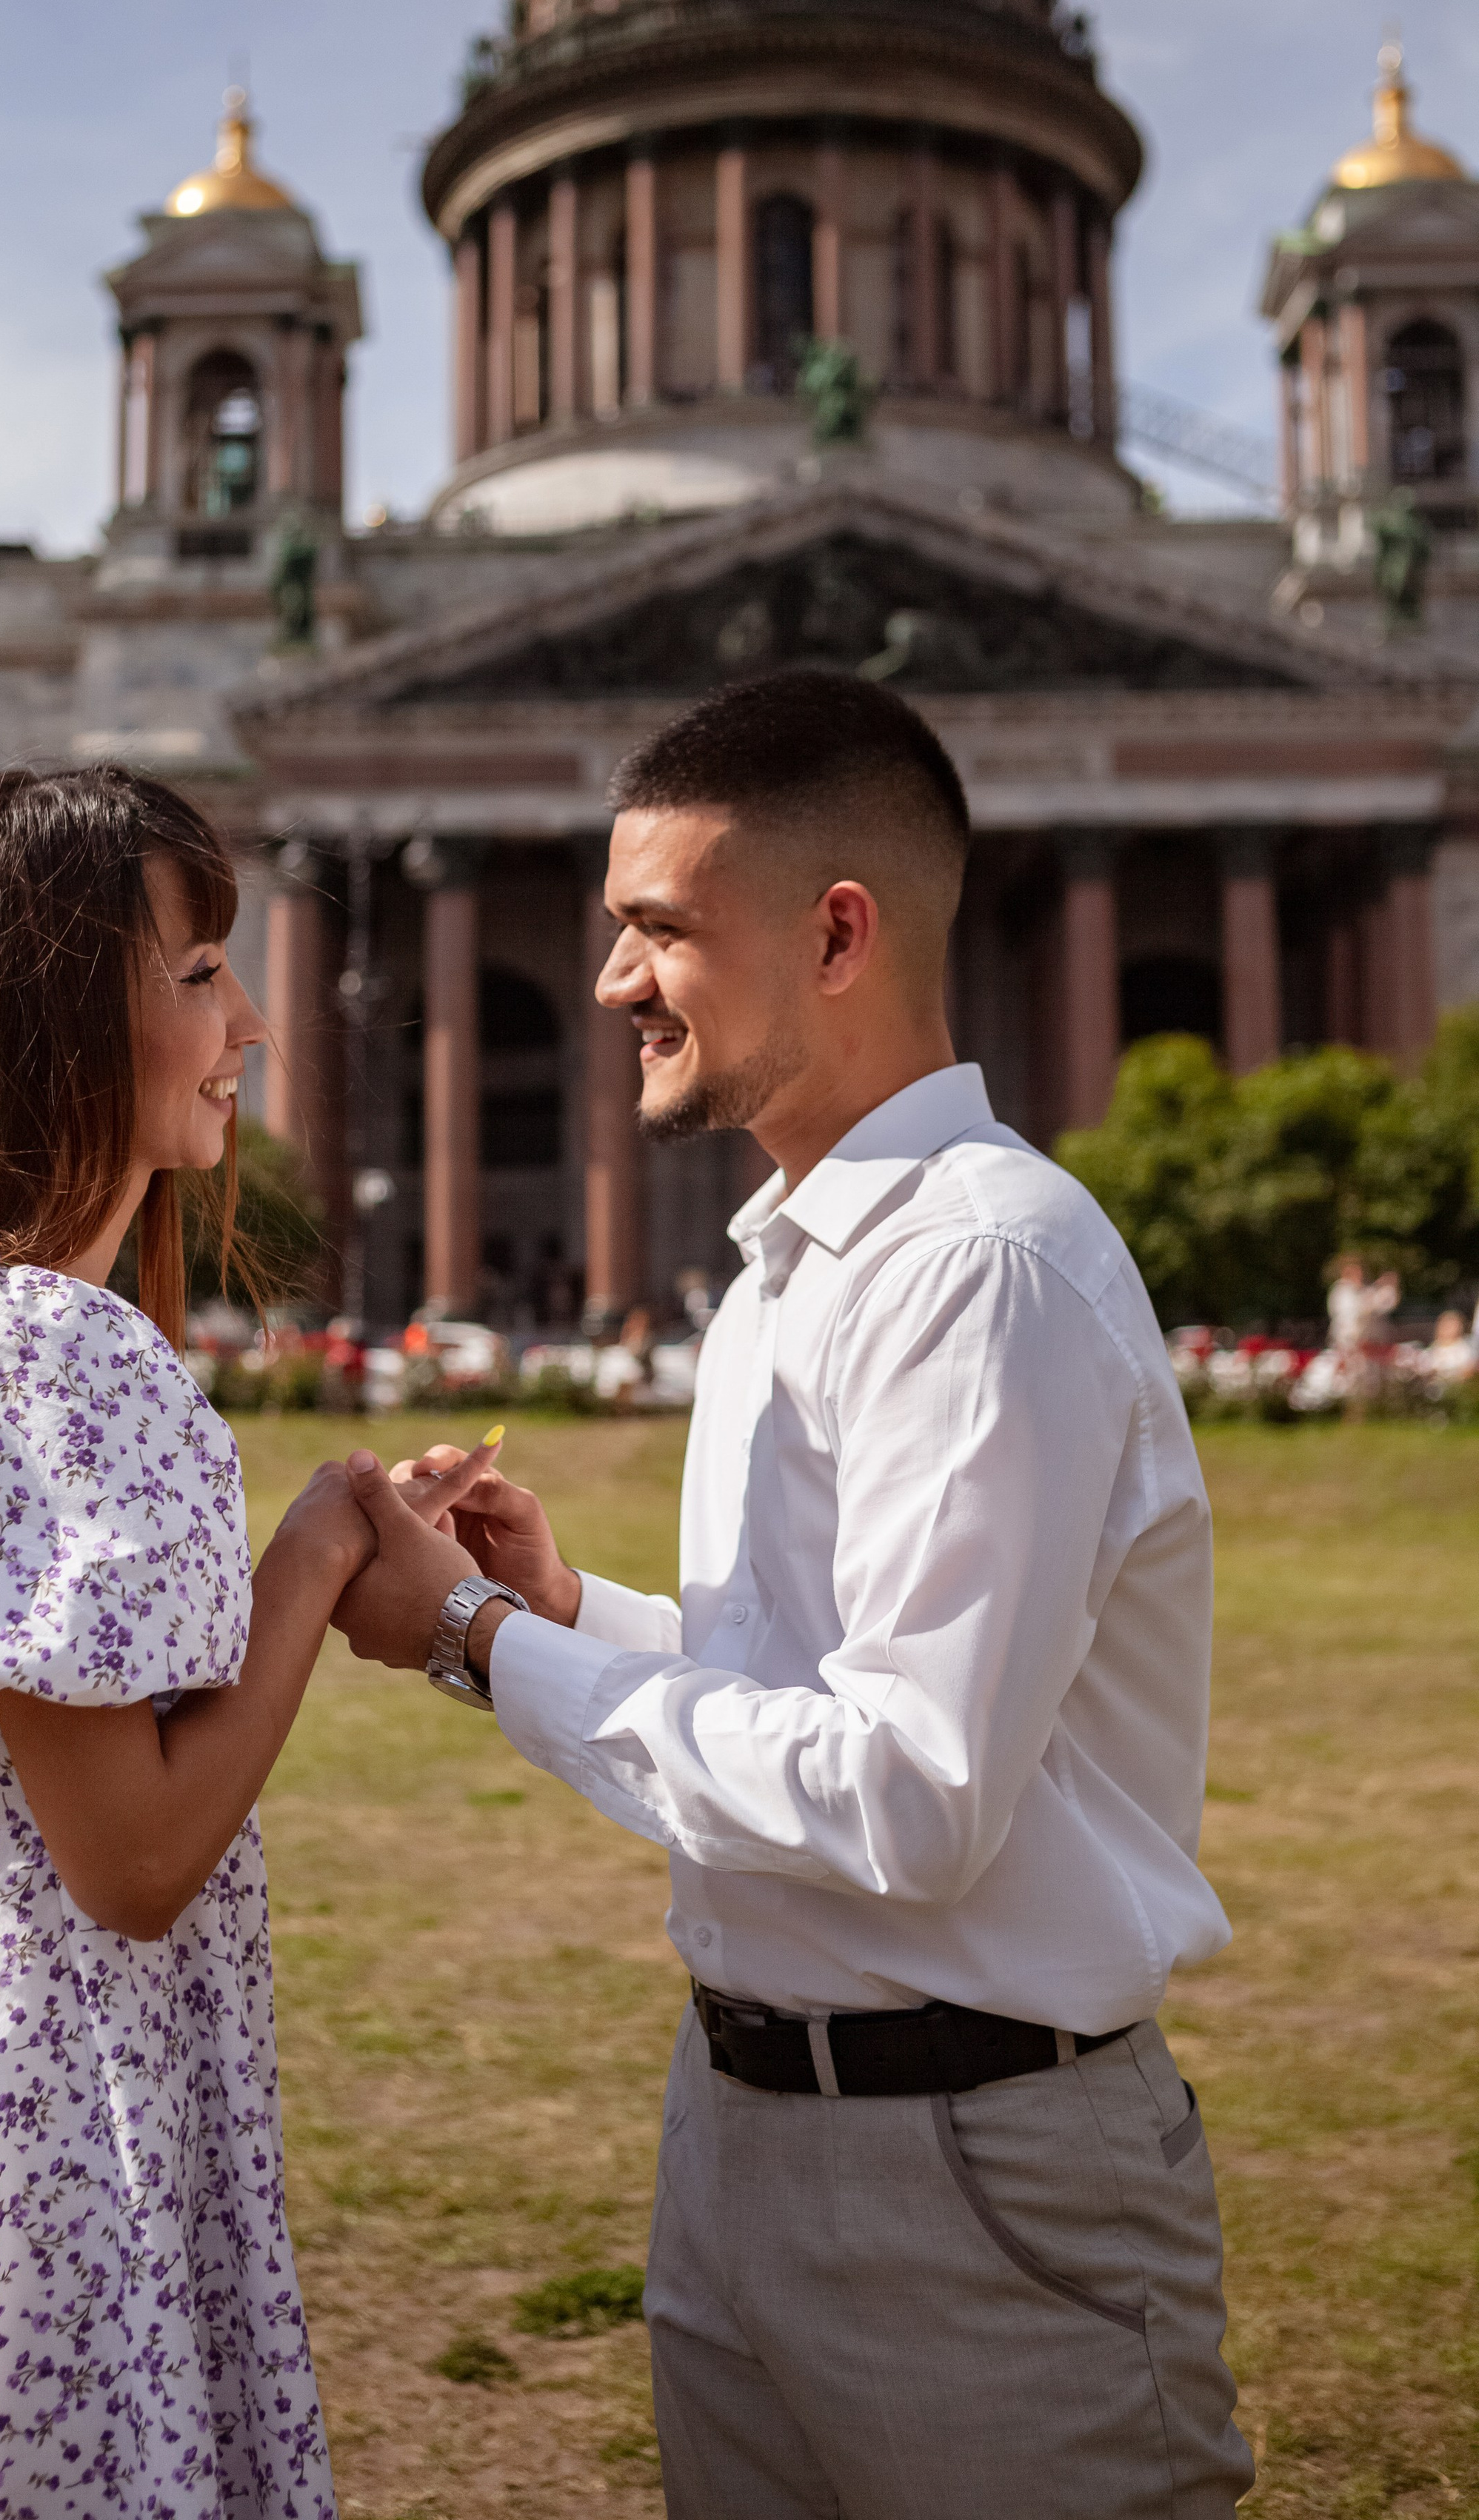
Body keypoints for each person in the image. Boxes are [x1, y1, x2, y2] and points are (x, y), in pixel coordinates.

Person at [332, 669, 1255, 2519]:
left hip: (974, 2184)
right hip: (747, 2135)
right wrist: (558, 1605)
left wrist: (468, 1640)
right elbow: (814, 1686)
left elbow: (903, 1795)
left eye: (656, 929)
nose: (610, 985)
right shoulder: (791, 1269)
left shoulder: (977, 1270)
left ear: (836, 934)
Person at [0, 764, 498, 2520]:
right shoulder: (58, 1350)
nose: (248, 1019)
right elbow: (137, 1856)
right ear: (49, 1018)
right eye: (196, 976)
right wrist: (320, 1551)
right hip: (63, 2124)